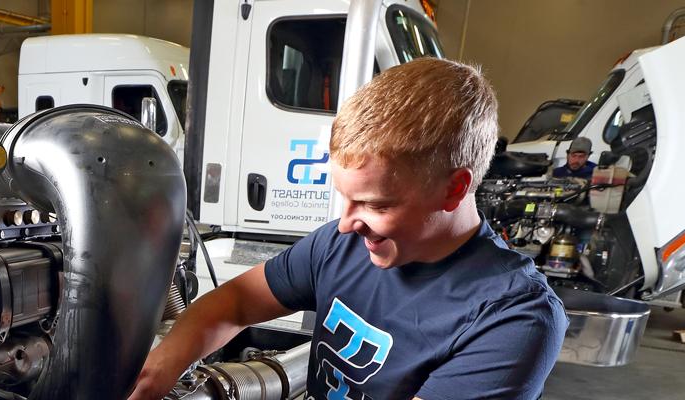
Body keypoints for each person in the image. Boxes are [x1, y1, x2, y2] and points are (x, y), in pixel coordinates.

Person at [127, 58, 566, 400]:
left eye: (375, 204)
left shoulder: (515, 318)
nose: (346, 222)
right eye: (345, 197)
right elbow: (234, 304)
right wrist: (150, 380)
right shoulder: (341, 245)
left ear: (454, 190)